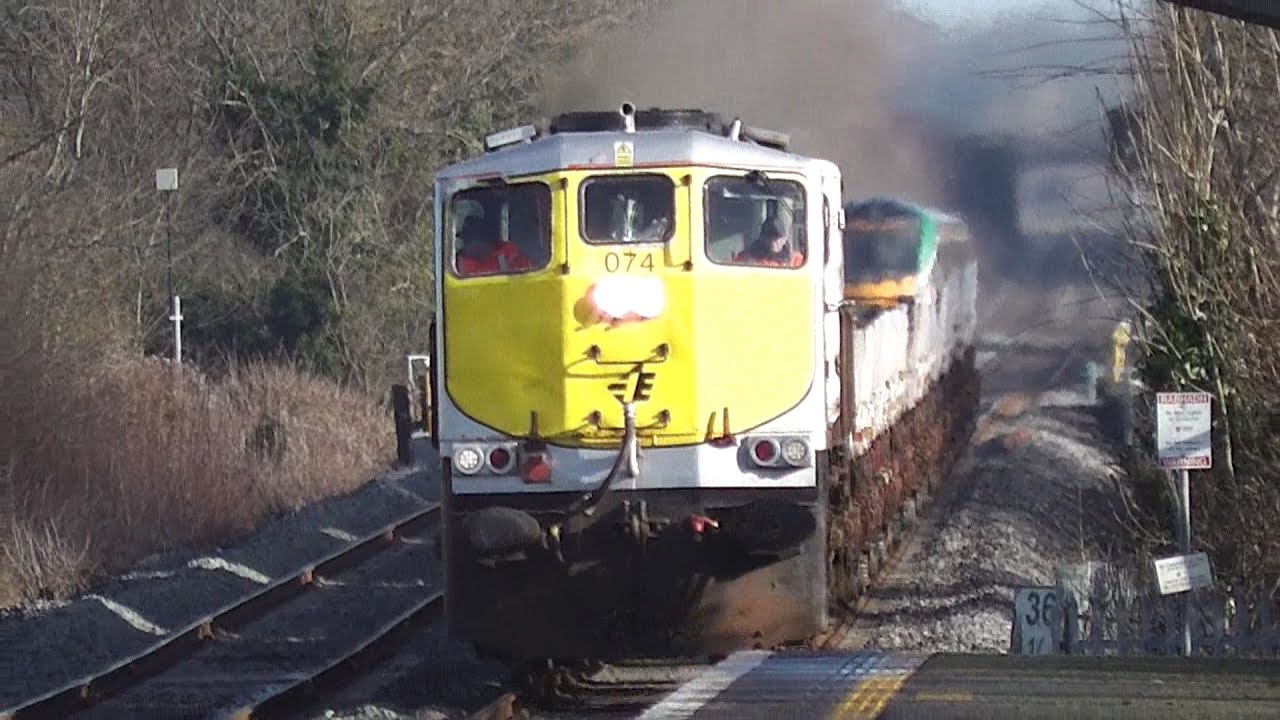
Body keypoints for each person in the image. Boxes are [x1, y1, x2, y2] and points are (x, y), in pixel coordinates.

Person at [455, 213, 532, 276]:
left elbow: (528, 274)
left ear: (487, 240)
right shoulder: (456, 263)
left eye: (474, 240)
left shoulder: (507, 253)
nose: (470, 245)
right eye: (466, 240)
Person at [733, 215, 804, 268]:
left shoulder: (796, 260)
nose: (772, 242)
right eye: (769, 236)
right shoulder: (745, 259)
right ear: (761, 237)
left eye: (777, 237)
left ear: (784, 239)